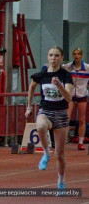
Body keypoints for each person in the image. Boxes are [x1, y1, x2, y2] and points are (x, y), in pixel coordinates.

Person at [25, 46, 73, 189]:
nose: (53, 58)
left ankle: (61, 180)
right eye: (51, 55)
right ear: (47, 57)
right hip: (46, 110)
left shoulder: (65, 75)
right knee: (40, 126)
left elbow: (69, 98)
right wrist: (29, 107)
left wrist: (59, 85)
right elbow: (31, 88)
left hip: (61, 114)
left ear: (61, 58)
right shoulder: (42, 75)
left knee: (60, 154)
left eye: (57, 55)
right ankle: (46, 152)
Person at [63, 48, 89, 150]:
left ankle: (81, 142)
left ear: (81, 56)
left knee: (82, 119)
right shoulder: (67, 67)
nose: (76, 56)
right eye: (74, 54)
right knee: (67, 118)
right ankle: (63, 140)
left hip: (82, 96)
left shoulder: (87, 68)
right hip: (70, 96)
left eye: (78, 54)